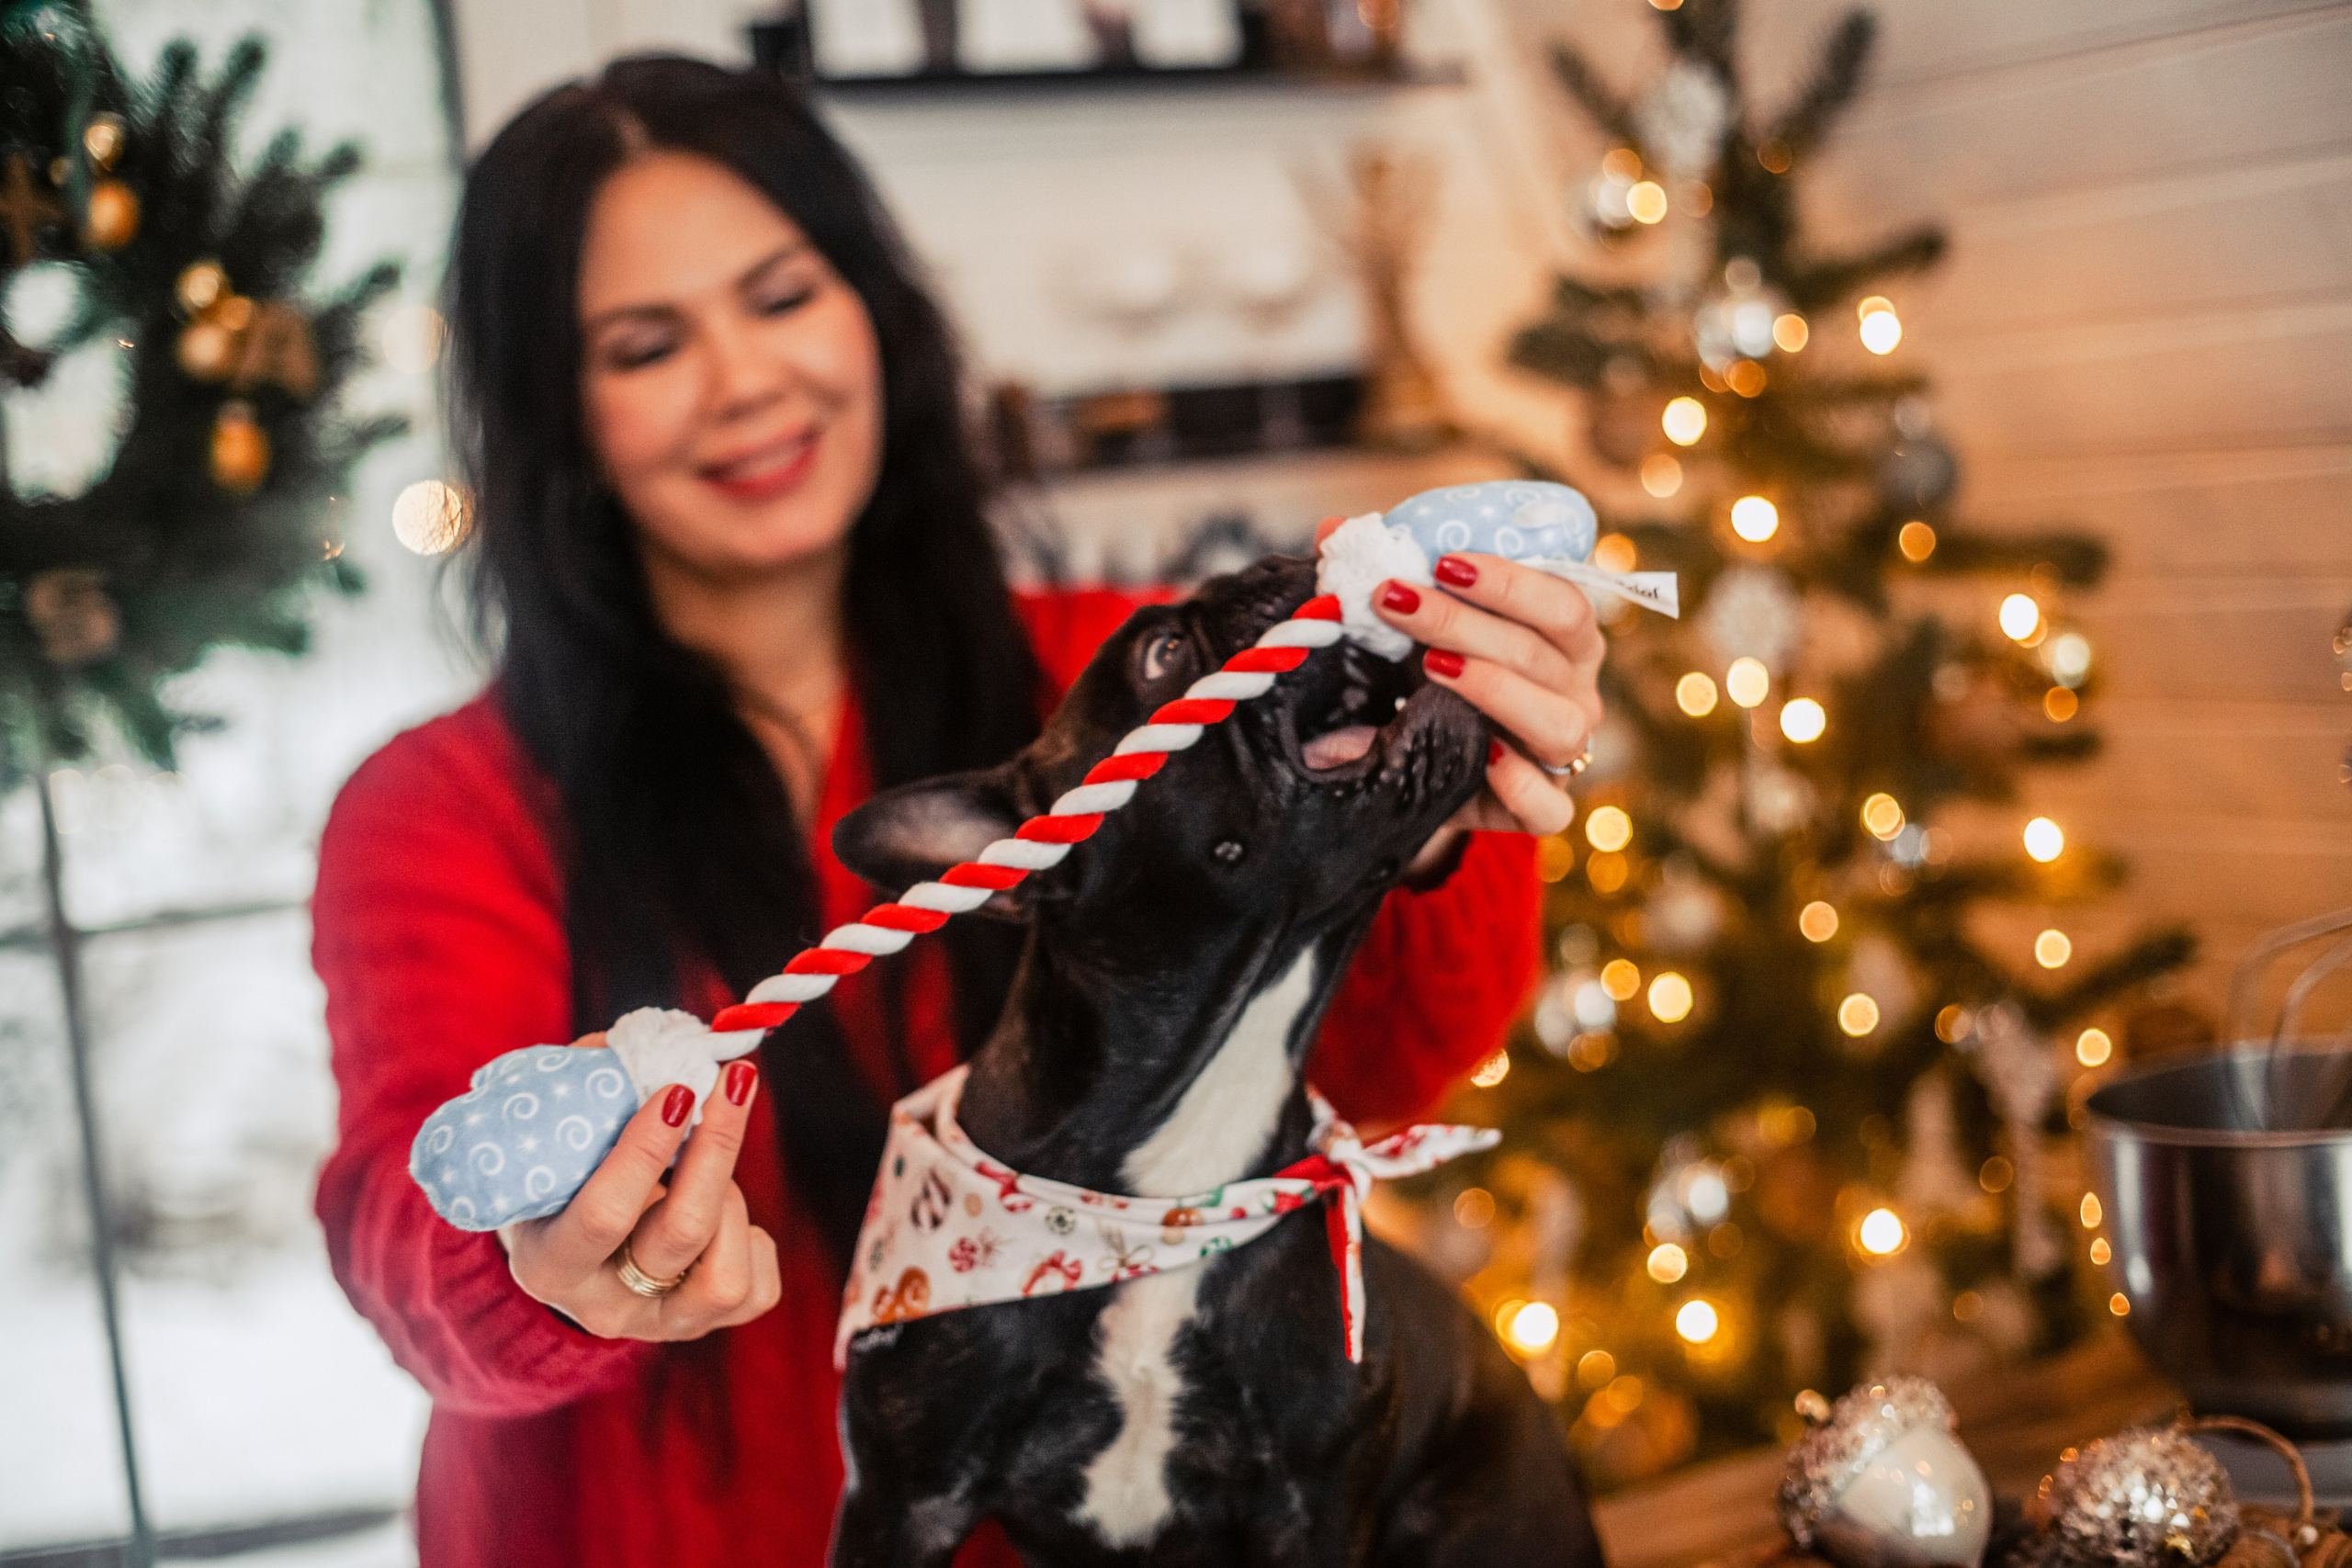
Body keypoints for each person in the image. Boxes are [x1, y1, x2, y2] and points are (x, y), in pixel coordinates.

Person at [311, 55, 1605, 1568]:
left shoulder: (1124, 686)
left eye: (783, 295)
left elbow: (1374, 1069)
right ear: (555, 411)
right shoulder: (440, 814)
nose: (745, 379)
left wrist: (1441, 800)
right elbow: (406, 1228)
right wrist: (534, 1266)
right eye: (646, 343)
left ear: (873, 310)